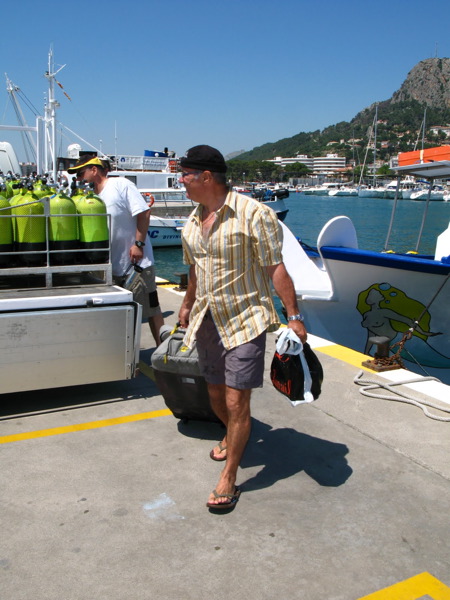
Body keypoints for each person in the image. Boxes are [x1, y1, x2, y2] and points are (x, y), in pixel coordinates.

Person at [177, 145, 307, 511]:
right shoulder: (192, 220)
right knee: (216, 395)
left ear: (206, 177)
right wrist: (186, 304)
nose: (181, 181)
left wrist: (294, 315)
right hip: (207, 318)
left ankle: (229, 476)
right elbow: (194, 270)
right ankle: (232, 432)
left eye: (185, 175)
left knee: (237, 400)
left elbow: (275, 267)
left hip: (245, 318)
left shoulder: (255, 213)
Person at [67, 156, 164, 346]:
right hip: (111, 266)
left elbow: (144, 212)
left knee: (151, 310)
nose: (78, 178)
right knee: (120, 313)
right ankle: (126, 354)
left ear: (94, 170)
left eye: (80, 173)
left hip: (136, 264)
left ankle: (164, 352)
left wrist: (138, 244)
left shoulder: (120, 185)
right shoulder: (90, 198)